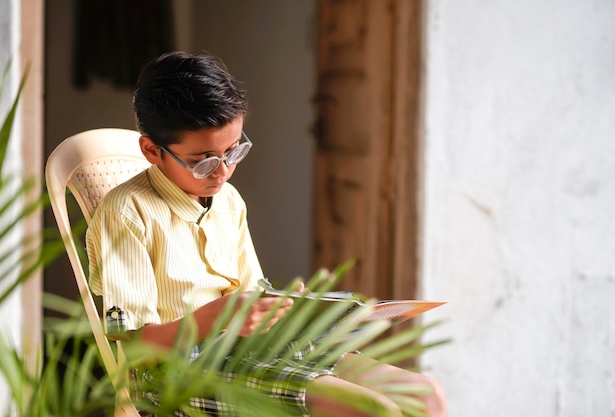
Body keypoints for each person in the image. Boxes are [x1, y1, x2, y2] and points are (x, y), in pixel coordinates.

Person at [86, 51, 446, 417]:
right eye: (203, 161)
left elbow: (251, 296)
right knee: (368, 408)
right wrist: (216, 316)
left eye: (233, 151)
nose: (222, 172)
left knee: (423, 394)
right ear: (152, 150)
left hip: (252, 349)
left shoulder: (228, 201)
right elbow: (135, 349)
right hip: (176, 373)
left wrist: (288, 308)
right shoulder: (127, 212)